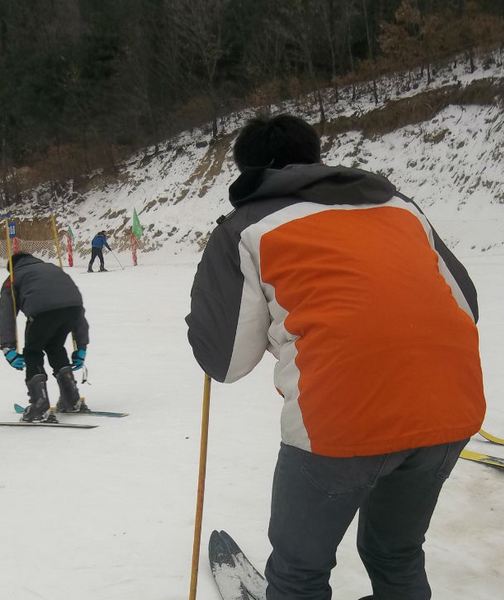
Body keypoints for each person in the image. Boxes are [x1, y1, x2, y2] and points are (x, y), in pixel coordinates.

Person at [186, 114, 485, 600]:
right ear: (315, 156)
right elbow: (466, 305)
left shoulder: (246, 227)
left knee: (300, 570)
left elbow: (226, 362)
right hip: (450, 410)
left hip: (339, 423)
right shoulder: (401, 207)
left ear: (249, 171)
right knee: (396, 553)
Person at [0, 251, 90, 422]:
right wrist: (81, 346)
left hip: (42, 313)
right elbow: (75, 306)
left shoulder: (14, 277)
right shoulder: (53, 269)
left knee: (32, 352)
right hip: (73, 310)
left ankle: (39, 406)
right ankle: (71, 399)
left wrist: (7, 347)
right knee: (55, 347)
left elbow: (7, 314)